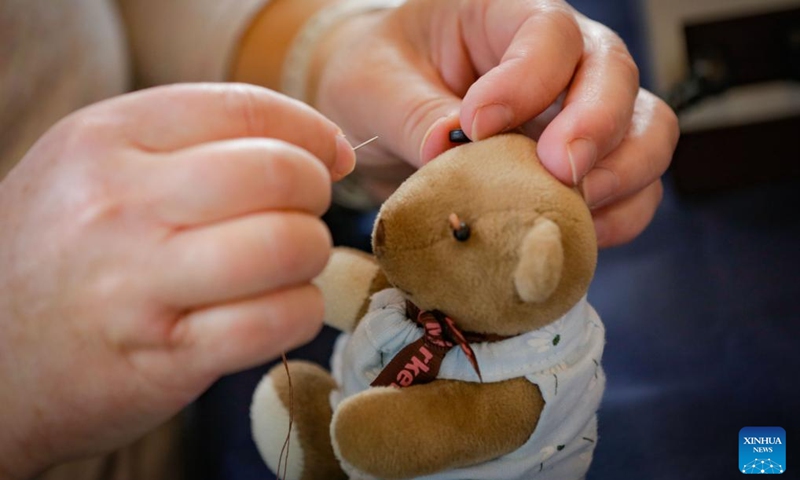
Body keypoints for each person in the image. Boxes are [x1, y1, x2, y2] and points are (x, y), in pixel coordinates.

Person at [0, 0, 678, 478]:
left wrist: (329, 48)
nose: (396, 227)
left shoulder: (518, 378)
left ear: (533, 270)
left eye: (459, 227)